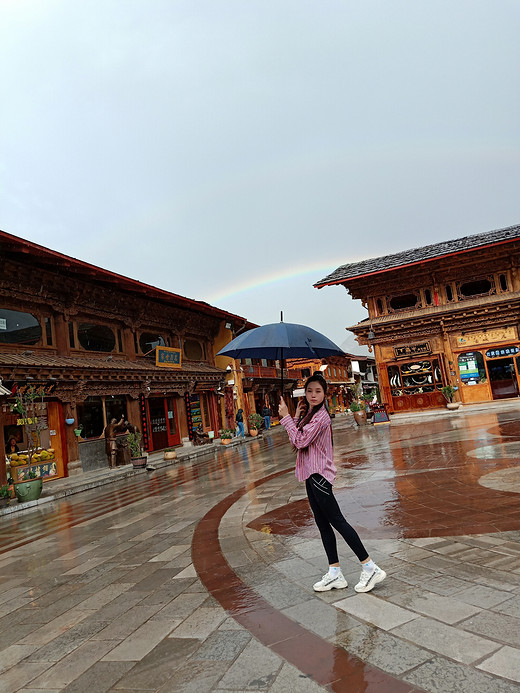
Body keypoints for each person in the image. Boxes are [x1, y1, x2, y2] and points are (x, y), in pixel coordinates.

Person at [278, 373, 386, 594]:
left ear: (325, 394)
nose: (313, 395)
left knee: (337, 521)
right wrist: (296, 418)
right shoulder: (310, 415)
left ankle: (369, 566)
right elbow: (299, 440)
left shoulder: (321, 418)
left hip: (319, 476)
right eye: (309, 391)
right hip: (311, 475)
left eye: (318, 391)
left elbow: (299, 441)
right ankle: (335, 572)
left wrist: (286, 418)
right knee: (322, 523)